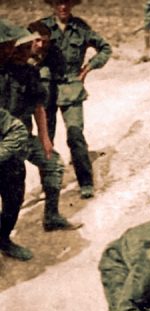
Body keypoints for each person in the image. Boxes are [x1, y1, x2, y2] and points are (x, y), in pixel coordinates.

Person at [1, 26, 81, 233]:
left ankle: (51, 216)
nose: (26, 52)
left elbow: (38, 107)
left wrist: (45, 138)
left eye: (28, 48)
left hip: (24, 136)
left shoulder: (29, 72)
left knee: (53, 164)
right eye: (21, 48)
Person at [39, 0, 112, 199]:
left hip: (71, 86)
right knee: (47, 138)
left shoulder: (81, 27)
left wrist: (87, 69)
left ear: (71, 5)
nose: (62, 7)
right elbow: (27, 53)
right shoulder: (41, 27)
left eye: (66, 2)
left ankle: (86, 182)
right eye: (58, 3)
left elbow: (105, 48)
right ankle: (48, 185)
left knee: (75, 135)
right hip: (47, 89)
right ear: (53, 5)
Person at [0, 19, 39, 261]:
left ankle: (3, 239)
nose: (8, 49)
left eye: (10, 44)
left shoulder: (23, 71)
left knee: (14, 198)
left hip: (12, 146)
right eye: (3, 45)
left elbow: (38, 105)